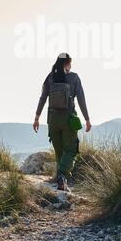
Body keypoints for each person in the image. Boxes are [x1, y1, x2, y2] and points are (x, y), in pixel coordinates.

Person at [33, 53, 91, 191]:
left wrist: (36, 118)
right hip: (68, 118)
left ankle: (61, 184)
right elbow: (82, 100)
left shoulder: (50, 77)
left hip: (52, 119)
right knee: (70, 149)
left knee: (59, 151)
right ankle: (62, 175)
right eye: (70, 63)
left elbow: (42, 98)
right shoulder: (74, 77)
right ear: (67, 64)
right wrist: (87, 119)